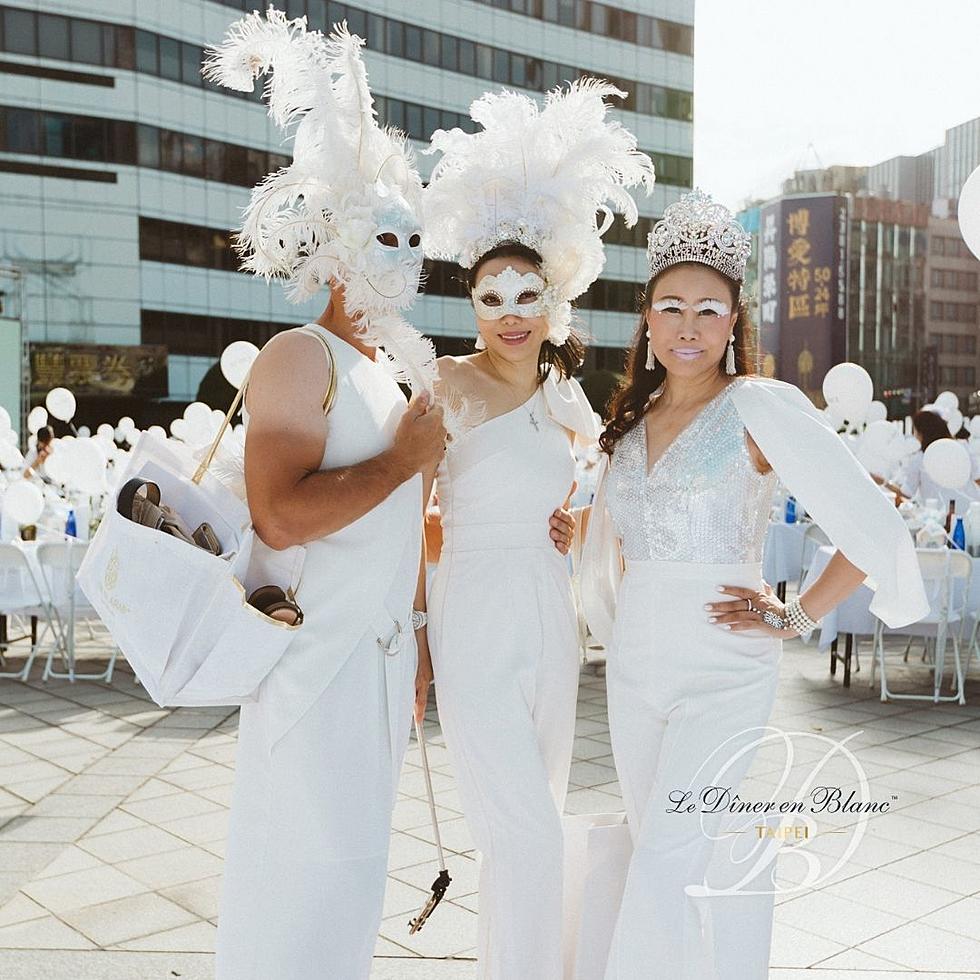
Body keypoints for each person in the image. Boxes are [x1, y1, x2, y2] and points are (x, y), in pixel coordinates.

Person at [581, 189, 929, 980]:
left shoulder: (759, 406)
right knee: (661, 851)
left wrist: (796, 613)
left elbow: (870, 526)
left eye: (709, 309)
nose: (689, 326)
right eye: (671, 307)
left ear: (735, 318)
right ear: (646, 319)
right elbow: (617, 548)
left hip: (722, 667)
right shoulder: (629, 427)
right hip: (635, 667)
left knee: (668, 854)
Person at [204, 13, 444, 978]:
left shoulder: (386, 371)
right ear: (337, 247)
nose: (408, 258)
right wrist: (398, 461)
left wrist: (420, 638)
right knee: (294, 881)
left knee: (353, 881)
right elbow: (280, 513)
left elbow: (403, 531)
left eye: (416, 240)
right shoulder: (299, 356)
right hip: (310, 668)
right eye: (386, 237)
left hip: (380, 669)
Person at [422, 80, 654, 980]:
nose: (511, 313)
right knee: (517, 830)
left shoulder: (566, 394)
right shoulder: (443, 381)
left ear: (549, 299)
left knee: (540, 815)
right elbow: (416, 515)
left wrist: (570, 518)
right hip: (473, 608)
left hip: (549, 617)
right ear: (472, 302)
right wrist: (416, 636)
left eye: (526, 295)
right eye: (491, 296)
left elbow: (596, 483)